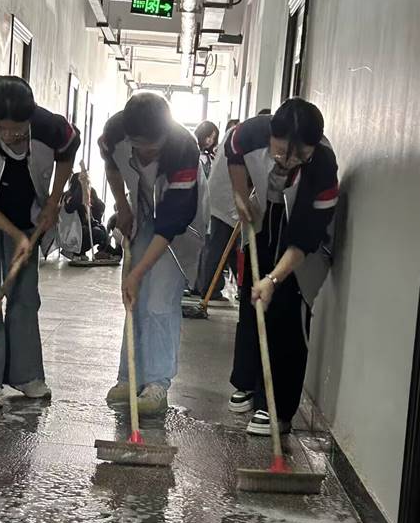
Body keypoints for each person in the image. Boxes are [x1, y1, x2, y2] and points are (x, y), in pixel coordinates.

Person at [0, 76, 79, 409]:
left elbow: (69, 147)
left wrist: (53, 201)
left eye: (19, 130)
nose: (11, 136)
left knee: (24, 293)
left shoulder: (48, 126)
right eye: (3, 129)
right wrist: (16, 235)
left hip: (26, 213)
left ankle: (26, 375)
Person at [226, 97, 338, 434]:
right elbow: (233, 151)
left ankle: (275, 406)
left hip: (301, 230)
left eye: (298, 157)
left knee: (287, 308)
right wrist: (240, 196)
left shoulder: (322, 166)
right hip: (266, 213)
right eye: (280, 152)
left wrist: (274, 279)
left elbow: (305, 238)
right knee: (252, 298)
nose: (287, 162)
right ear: (270, 135)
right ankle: (247, 382)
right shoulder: (251, 133)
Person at [99, 92, 209, 413]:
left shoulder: (183, 148)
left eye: (154, 147)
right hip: (143, 209)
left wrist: (137, 271)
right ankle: (129, 377)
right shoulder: (115, 133)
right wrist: (122, 206)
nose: (147, 153)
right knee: (134, 300)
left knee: (159, 298)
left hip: (180, 222)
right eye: (141, 146)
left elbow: (173, 221)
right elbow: (112, 167)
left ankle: (157, 384)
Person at [196, 119, 240, 303]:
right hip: (222, 204)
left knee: (226, 249)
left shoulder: (231, 139)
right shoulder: (238, 140)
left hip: (220, 203)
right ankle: (208, 289)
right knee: (216, 248)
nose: (211, 141)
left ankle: (214, 287)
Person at [62, 171, 114, 260]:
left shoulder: (88, 195)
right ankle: (75, 252)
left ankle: (103, 251)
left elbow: (93, 216)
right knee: (95, 232)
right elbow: (70, 208)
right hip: (71, 233)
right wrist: (81, 188)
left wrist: (98, 225)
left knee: (101, 230)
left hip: (82, 229)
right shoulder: (68, 196)